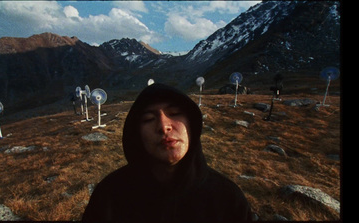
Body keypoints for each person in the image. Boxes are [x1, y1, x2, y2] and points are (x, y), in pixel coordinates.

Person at [82, 83, 253, 222]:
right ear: (136, 134)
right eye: (149, 119)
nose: (164, 126)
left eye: (175, 113)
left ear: (192, 125)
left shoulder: (228, 200)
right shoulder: (110, 196)